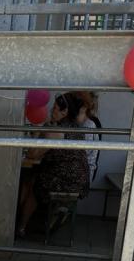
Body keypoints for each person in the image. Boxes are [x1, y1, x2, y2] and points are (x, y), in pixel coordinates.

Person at [16, 92, 91, 238]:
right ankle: (31, 222)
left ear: (65, 112)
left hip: (64, 180)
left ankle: (21, 226)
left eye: (55, 109)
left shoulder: (56, 131)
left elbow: (32, 154)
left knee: (33, 185)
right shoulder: (77, 128)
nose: (51, 111)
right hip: (80, 180)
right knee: (33, 179)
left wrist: (38, 131)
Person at [75, 90, 103, 186]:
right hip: (84, 169)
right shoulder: (88, 122)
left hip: (85, 171)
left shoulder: (89, 124)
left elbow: (84, 152)